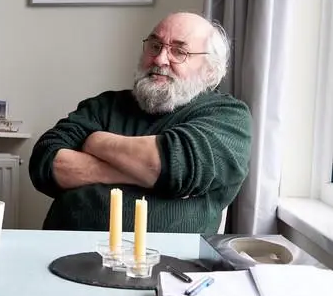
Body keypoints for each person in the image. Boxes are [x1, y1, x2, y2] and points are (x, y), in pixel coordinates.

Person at [28, 12, 251, 233]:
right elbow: (45, 163)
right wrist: (142, 173)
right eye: (155, 46)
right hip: (65, 249)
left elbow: (176, 167)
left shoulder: (227, 115)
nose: (160, 59)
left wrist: (96, 141)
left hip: (167, 260)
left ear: (210, 70)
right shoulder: (105, 105)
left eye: (178, 51)